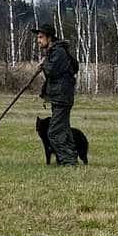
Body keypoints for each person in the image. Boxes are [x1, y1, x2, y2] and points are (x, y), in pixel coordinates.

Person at [32, 24, 80, 166]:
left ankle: (68, 161)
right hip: (60, 97)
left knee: (54, 132)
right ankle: (70, 159)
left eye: (41, 37)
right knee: (64, 130)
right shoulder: (54, 52)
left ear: (49, 37)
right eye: (38, 38)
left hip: (62, 97)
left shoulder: (58, 52)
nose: (38, 41)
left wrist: (43, 65)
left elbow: (52, 70)